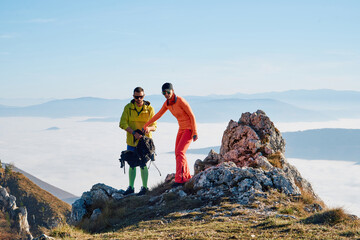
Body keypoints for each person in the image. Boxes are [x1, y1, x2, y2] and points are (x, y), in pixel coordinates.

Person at [143, 83, 198, 187]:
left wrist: (195, 132)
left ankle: (180, 180)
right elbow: (158, 114)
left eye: (168, 92)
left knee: (180, 152)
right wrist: (146, 124)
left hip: (189, 129)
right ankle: (186, 176)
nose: (166, 94)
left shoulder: (181, 101)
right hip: (181, 129)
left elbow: (192, 115)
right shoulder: (167, 103)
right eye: (164, 93)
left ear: (172, 90)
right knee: (178, 153)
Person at [119, 87, 157, 195]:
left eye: (141, 97)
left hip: (145, 143)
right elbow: (122, 123)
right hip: (132, 140)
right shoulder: (128, 108)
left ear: (144, 96)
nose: (139, 99)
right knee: (131, 163)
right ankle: (131, 187)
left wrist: (148, 129)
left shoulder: (149, 109)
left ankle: (144, 188)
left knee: (143, 164)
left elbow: (154, 126)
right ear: (133, 96)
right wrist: (133, 133)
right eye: (136, 97)